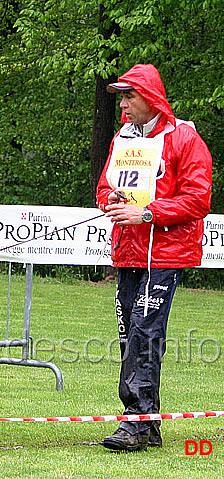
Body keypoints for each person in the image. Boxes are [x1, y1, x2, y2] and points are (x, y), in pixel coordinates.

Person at [96, 64, 212, 451]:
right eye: (122, 97)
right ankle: (149, 424)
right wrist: (111, 201)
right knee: (131, 334)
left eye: (130, 96)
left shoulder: (185, 138)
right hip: (127, 250)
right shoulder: (122, 139)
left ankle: (133, 424)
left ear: (151, 97)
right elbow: (103, 189)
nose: (124, 105)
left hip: (165, 252)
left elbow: (198, 200)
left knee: (145, 332)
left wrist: (147, 213)